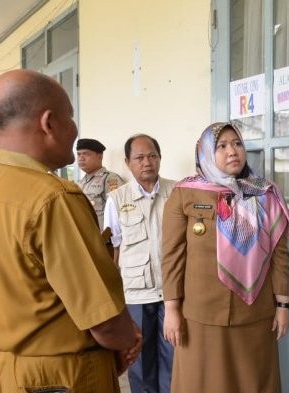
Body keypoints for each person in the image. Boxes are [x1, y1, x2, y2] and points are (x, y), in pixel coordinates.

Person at [0, 69, 141, 392]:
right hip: (66, 376)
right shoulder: (54, 197)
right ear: (49, 122)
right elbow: (103, 320)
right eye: (71, 117)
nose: (74, 130)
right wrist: (130, 336)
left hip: (11, 371)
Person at [162, 122, 289, 393]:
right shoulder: (184, 193)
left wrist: (283, 306)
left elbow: (280, 255)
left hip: (255, 313)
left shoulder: (265, 193)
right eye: (221, 146)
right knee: (202, 383)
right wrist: (172, 309)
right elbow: (172, 256)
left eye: (237, 144)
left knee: (253, 381)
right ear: (206, 153)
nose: (231, 151)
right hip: (200, 314)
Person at [103, 133, 176, 393]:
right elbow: (114, 249)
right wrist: (114, 298)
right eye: (140, 158)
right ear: (128, 162)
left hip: (172, 295)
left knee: (173, 362)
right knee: (141, 364)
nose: (147, 162)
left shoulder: (177, 192)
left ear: (160, 158)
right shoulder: (117, 199)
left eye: (152, 156)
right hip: (135, 295)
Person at [77, 138, 124, 229]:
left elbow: (119, 211)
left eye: (86, 154)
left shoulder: (110, 179)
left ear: (100, 156)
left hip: (103, 239)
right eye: (79, 154)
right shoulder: (81, 183)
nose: (81, 158)